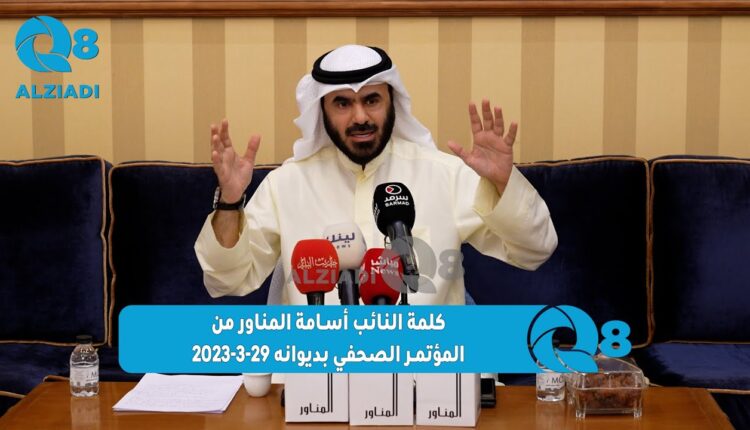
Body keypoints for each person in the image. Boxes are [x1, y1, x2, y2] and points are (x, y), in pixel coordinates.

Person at [194, 44, 557, 305]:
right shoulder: (287, 185)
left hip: (429, 373)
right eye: (342, 103)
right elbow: (227, 280)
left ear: (391, 102)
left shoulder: (444, 175)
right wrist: (230, 202)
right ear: (322, 111)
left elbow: (535, 250)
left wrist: (502, 182)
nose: (360, 117)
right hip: (316, 372)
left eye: (371, 100)